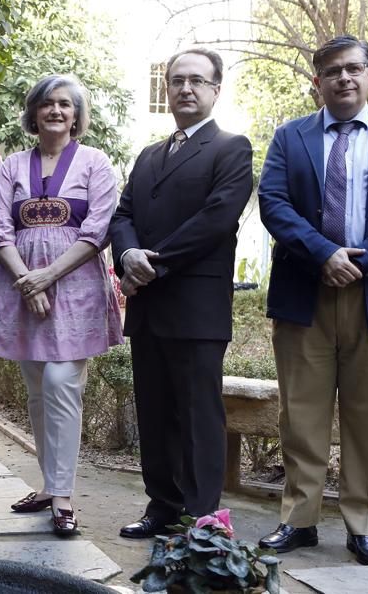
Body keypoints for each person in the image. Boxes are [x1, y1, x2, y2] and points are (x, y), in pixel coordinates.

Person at [257, 35, 368, 566]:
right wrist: (323, 255)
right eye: (332, 70)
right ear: (318, 81)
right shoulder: (291, 138)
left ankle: (363, 525)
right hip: (304, 293)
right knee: (302, 414)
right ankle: (299, 520)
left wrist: (361, 259)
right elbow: (273, 203)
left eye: (354, 68)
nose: (343, 78)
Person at [109, 48, 254, 539]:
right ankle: (162, 506)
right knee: (154, 412)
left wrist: (154, 262)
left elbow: (216, 219)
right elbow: (123, 214)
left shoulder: (231, 148)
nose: (185, 89)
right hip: (149, 306)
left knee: (197, 416)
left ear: (216, 89)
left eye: (197, 80)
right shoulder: (150, 154)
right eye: (176, 81)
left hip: (195, 307)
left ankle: (202, 517)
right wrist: (128, 256)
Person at [0, 74, 123, 537]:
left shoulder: (95, 162)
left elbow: (97, 231)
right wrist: (27, 279)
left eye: (65, 104)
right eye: (47, 104)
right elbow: (0, 229)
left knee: (63, 382)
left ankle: (62, 496)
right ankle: (48, 486)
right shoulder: (12, 166)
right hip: (21, 288)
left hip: (75, 288)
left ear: (77, 115)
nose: (56, 111)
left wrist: (47, 276)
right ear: (34, 112)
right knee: (38, 389)